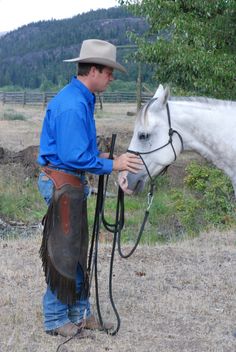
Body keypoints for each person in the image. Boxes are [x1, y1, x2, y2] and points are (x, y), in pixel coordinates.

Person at [37, 39, 142, 339]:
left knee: (78, 249)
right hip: (63, 182)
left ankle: (79, 313)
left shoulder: (80, 98)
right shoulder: (72, 105)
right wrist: (114, 165)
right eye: (109, 72)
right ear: (94, 70)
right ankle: (57, 318)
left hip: (70, 182)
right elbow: (73, 156)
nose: (112, 77)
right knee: (65, 252)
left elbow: (76, 150)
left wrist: (100, 159)